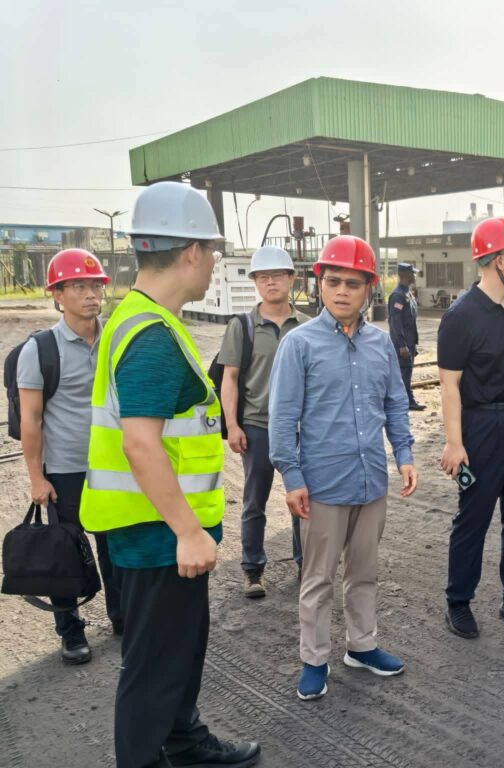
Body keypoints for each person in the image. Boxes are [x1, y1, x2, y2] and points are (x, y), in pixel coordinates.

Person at [80, 182, 260, 768]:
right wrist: (186, 530)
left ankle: (184, 741)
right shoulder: (152, 335)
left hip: (159, 529)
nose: (214, 261)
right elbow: (139, 443)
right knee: (154, 666)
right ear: (190, 252)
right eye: (212, 250)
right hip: (157, 533)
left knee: (177, 653)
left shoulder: (145, 319)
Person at [269, 235, 417, 701]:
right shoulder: (299, 344)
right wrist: (292, 478)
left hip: (371, 481)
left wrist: (404, 455)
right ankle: (314, 659)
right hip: (323, 486)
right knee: (318, 579)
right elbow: (282, 418)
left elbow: (395, 404)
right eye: (333, 281)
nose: (342, 291)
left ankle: (362, 645)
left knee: (365, 572)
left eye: (353, 284)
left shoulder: (380, 344)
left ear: (369, 288)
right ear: (320, 284)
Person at [437, 217, 504, 639]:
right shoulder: (460, 316)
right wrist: (455, 443)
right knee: (474, 518)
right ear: (498, 260)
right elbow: (449, 385)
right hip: (483, 427)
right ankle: (458, 602)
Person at [17, 248, 121, 663]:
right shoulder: (40, 350)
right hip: (65, 470)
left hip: (113, 465)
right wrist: (36, 478)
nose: (91, 294)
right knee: (65, 552)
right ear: (57, 295)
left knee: (116, 547)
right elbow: (31, 420)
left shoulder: (116, 338)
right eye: (78, 286)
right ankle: (71, 631)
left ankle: (122, 616)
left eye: (95, 285)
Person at [219, 245, 308, 597]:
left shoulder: (308, 326)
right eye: (263, 276)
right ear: (255, 281)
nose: (271, 282)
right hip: (258, 427)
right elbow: (229, 379)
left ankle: (306, 564)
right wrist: (233, 425)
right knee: (255, 501)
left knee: (303, 498)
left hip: (300, 429)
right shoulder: (242, 326)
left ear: (291, 279)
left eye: (278, 275)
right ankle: (253, 569)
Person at [388, 261, 426, 411]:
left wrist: (413, 343)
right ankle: (406, 401)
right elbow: (395, 323)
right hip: (402, 344)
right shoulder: (398, 296)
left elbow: (410, 321)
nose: (415, 276)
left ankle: (407, 400)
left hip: (410, 342)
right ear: (406, 275)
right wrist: (402, 345)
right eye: (413, 273)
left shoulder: (407, 293)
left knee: (407, 372)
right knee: (403, 372)